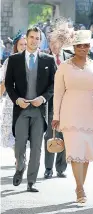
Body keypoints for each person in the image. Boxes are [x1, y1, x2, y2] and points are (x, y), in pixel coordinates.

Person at [51, 26, 93, 203]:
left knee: (86, 154)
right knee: (76, 151)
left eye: (85, 45)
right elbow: (58, 92)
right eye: (79, 46)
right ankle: (81, 189)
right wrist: (56, 116)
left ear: (89, 47)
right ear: (73, 48)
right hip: (70, 114)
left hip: (92, 113)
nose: (83, 48)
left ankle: (79, 186)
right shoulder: (63, 68)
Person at [5, 27, 56, 192]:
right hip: (21, 109)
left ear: (41, 41)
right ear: (26, 39)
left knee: (36, 146)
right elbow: (8, 84)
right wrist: (17, 99)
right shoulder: (14, 60)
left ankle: (31, 181)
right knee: (19, 144)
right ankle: (20, 167)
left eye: (37, 38)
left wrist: (42, 98)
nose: (34, 40)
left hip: (39, 111)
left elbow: (53, 85)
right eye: (32, 37)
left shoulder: (48, 60)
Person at [43, 39, 73, 179]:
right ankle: (48, 168)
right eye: (52, 44)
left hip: (69, 102)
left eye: (57, 43)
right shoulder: (44, 59)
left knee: (66, 136)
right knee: (51, 135)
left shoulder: (71, 57)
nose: (54, 46)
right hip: (51, 103)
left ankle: (61, 168)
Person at [0, 32, 27, 153]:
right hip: (12, 101)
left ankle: (21, 155)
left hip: (27, 99)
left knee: (26, 130)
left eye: (25, 44)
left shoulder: (33, 60)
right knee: (12, 131)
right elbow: (4, 83)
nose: (23, 46)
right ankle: (18, 156)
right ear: (16, 45)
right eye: (21, 44)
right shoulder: (9, 61)